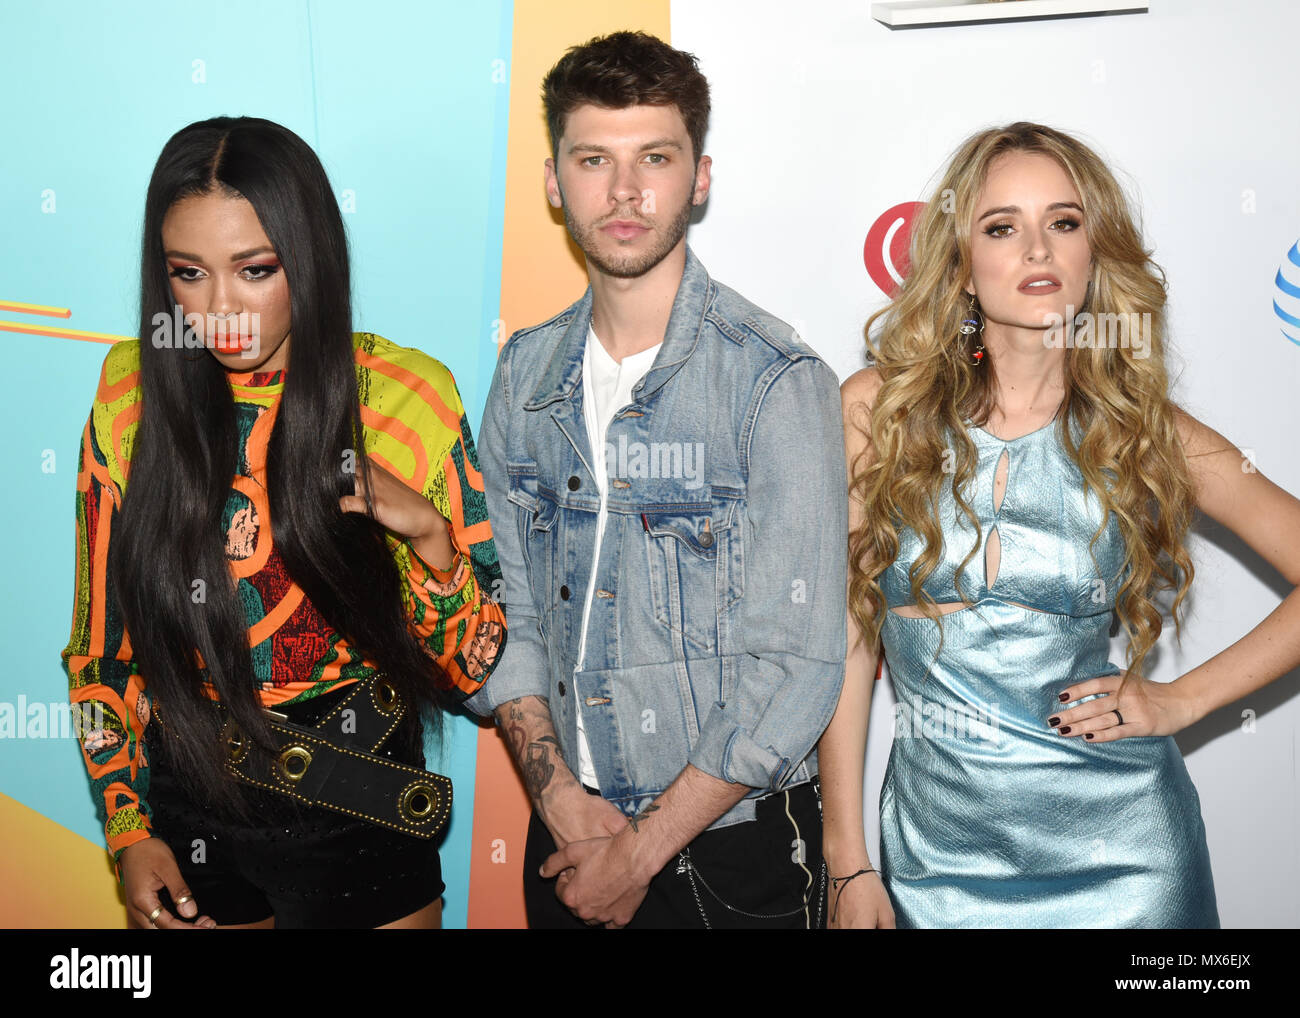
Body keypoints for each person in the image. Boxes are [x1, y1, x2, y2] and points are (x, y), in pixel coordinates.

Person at [820, 121, 1300, 929]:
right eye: (1002, 227)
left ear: (1093, 253)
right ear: (963, 266)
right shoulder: (877, 411)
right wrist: (846, 859)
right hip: (939, 861)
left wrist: (1182, 701)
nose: (1037, 249)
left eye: (1064, 223)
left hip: (1130, 857)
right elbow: (846, 636)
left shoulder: (1146, 430)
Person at [60, 116, 506, 930]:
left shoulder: (405, 398)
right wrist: (127, 827)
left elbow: (472, 671)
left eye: (255, 270)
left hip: (355, 793)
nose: (220, 309)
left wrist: (432, 540)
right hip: (187, 788)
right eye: (187, 274)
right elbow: (100, 649)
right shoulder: (129, 398)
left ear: (308, 257)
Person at [466, 31, 847, 929]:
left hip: (732, 851)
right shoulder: (523, 374)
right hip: (567, 832)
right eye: (594, 159)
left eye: (656, 159)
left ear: (699, 178)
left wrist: (638, 853)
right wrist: (560, 802)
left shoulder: (775, 382)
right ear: (556, 182)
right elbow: (503, 612)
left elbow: (798, 664)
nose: (626, 192)